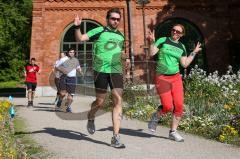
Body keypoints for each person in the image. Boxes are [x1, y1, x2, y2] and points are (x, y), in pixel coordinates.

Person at [74, 8, 129, 148]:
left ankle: (116, 137)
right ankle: (91, 116)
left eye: (118, 19)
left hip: (116, 70)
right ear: (107, 19)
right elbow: (80, 38)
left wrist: (125, 58)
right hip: (100, 70)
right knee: (100, 102)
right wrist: (77, 27)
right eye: (113, 18)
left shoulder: (121, 36)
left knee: (118, 99)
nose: (115, 21)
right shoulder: (99, 31)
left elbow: (121, 51)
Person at [147, 24, 202, 142]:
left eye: (178, 31)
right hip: (162, 77)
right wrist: (152, 42)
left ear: (182, 35)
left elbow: (185, 64)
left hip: (176, 78)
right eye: (173, 30)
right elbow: (152, 53)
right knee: (167, 106)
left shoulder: (182, 46)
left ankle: (173, 132)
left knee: (179, 105)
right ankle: (156, 116)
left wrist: (194, 52)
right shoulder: (163, 40)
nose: (175, 32)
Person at [56, 48, 82, 112]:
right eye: (70, 52)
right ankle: (60, 100)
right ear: (68, 53)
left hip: (72, 78)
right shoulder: (63, 59)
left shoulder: (76, 60)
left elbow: (78, 68)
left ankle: (68, 107)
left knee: (71, 95)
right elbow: (56, 67)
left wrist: (81, 72)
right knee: (63, 94)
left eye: (73, 52)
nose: (72, 53)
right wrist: (62, 70)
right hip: (64, 77)